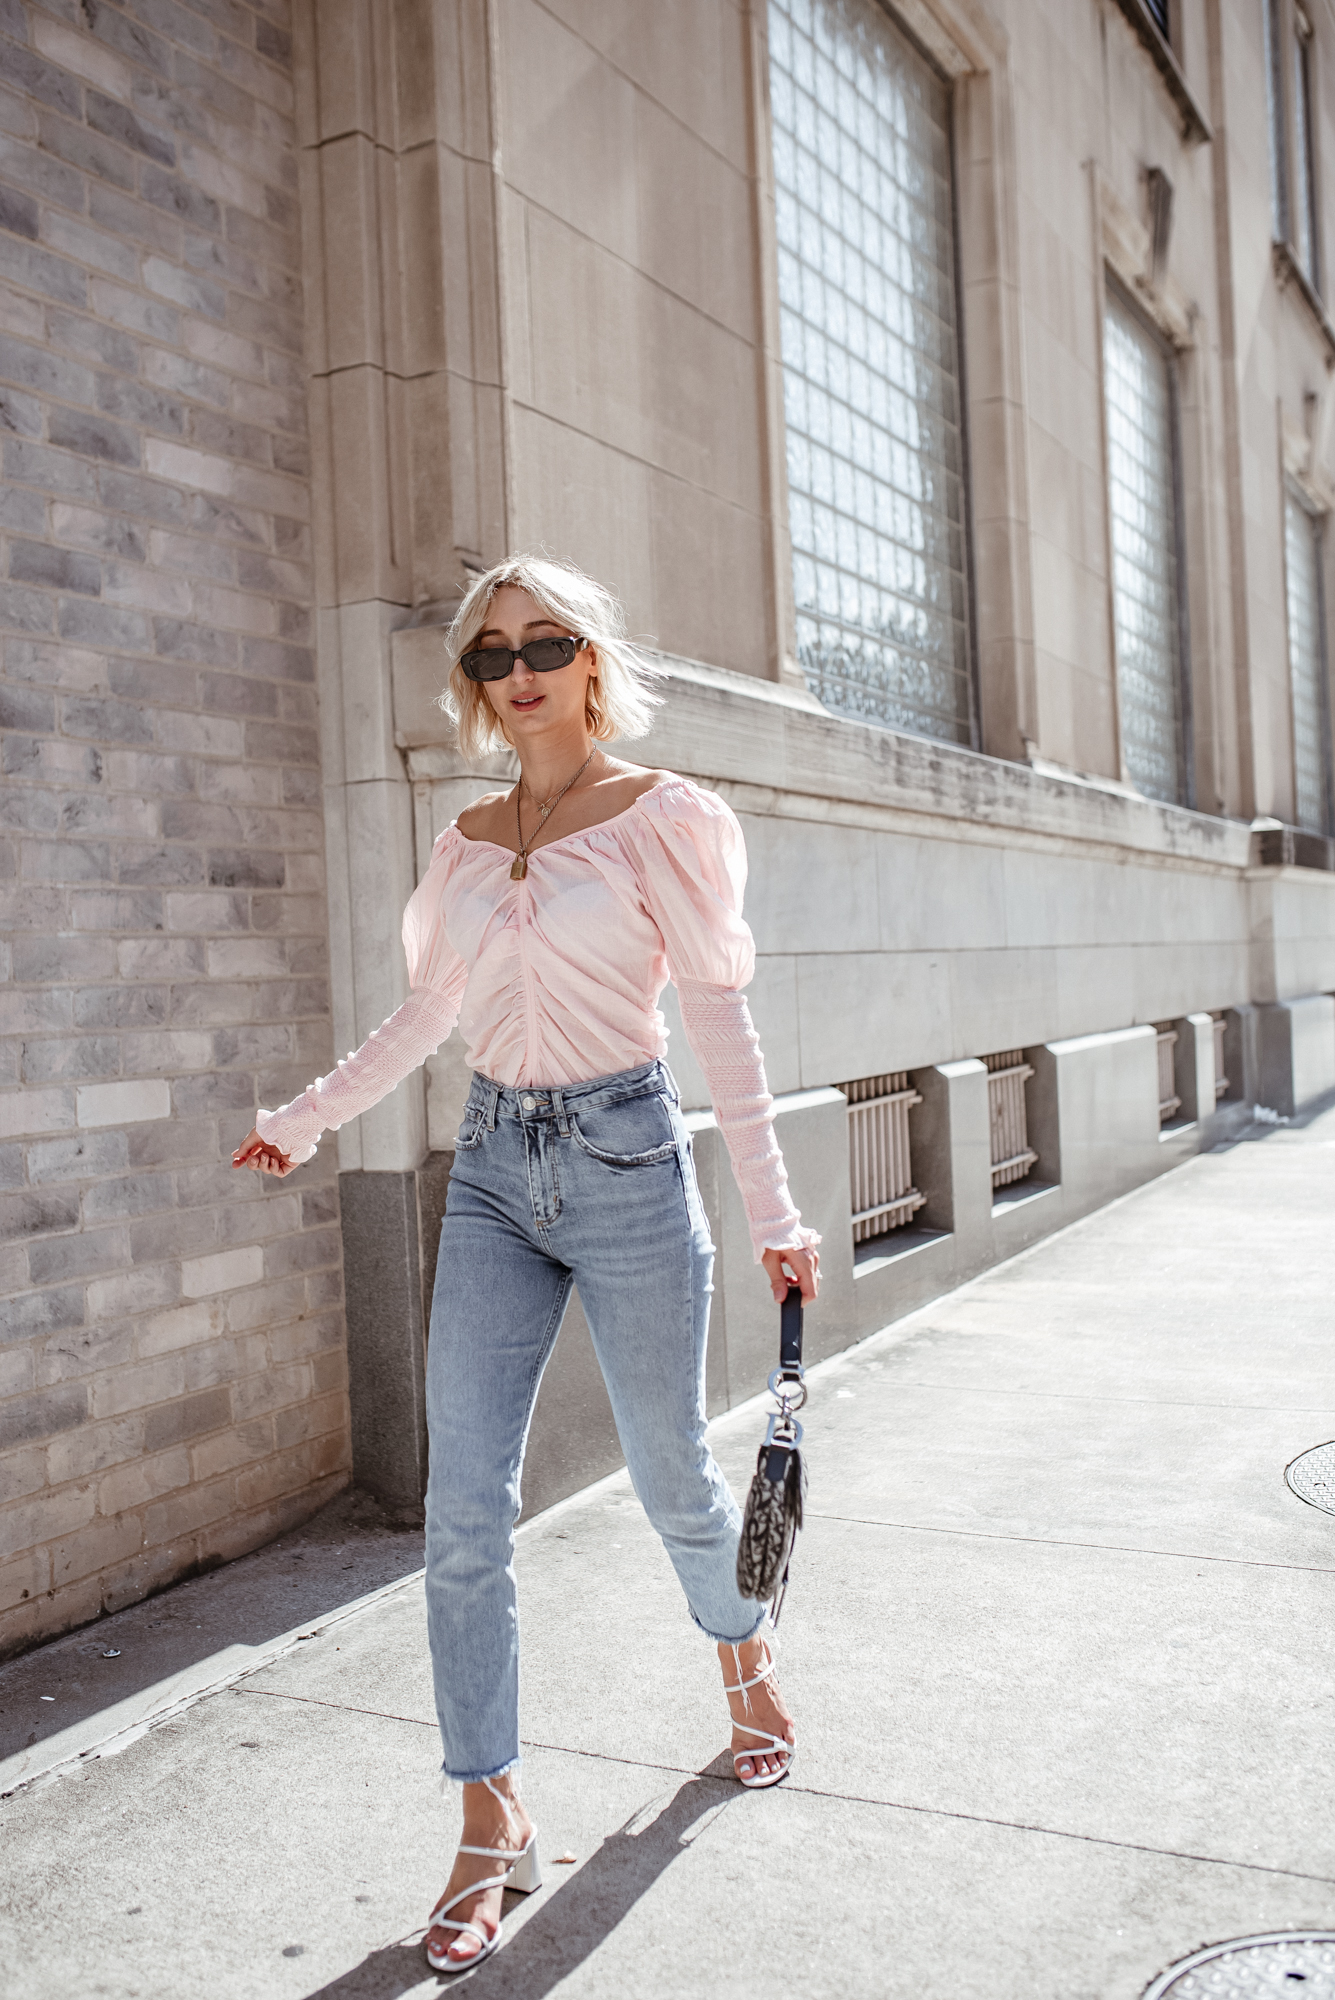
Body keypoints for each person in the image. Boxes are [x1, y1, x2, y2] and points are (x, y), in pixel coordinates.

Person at [232, 555, 820, 1972]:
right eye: (493, 653)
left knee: (674, 1474)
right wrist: (305, 1120)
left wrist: (776, 1210)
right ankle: (489, 1813)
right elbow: (424, 1016)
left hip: (626, 1164)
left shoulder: (662, 819)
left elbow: (723, 1025)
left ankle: (741, 1649)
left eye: (546, 641)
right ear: (475, 686)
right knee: (462, 1515)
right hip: (494, 1174)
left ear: (592, 659)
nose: (522, 668)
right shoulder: (468, 837)